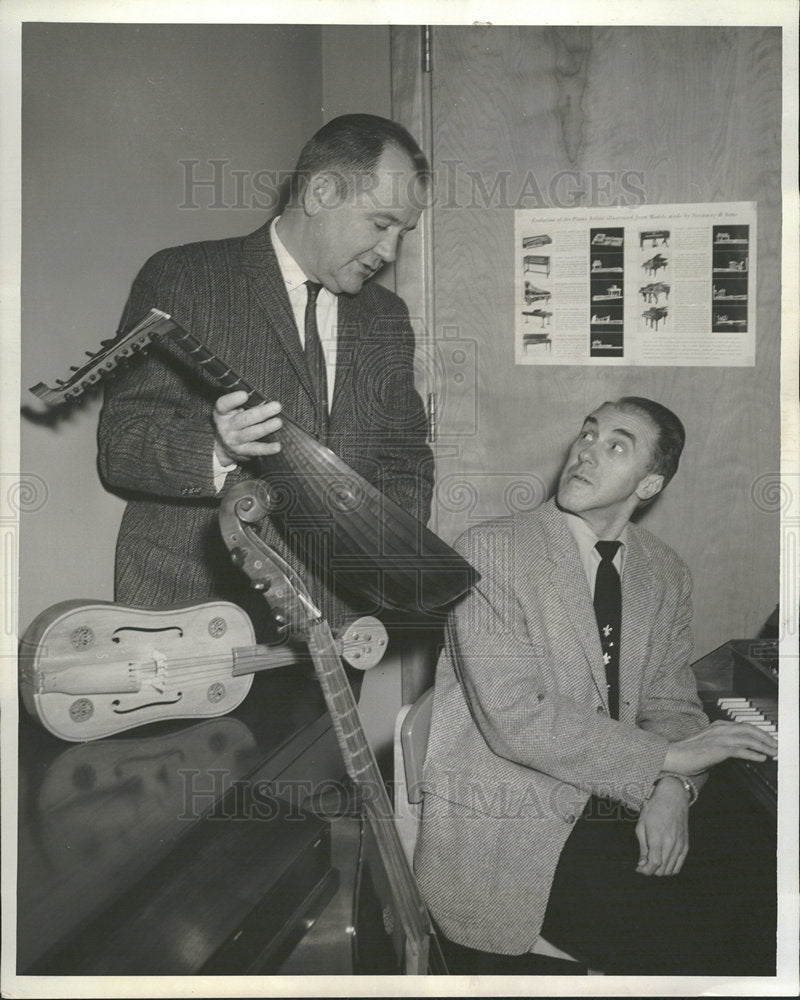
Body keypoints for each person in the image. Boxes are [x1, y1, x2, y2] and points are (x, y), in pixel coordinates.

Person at [413, 397, 778, 975]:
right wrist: (670, 757)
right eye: (588, 434)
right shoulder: (490, 552)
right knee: (693, 945)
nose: (586, 451)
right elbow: (517, 720)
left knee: (768, 886)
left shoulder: (664, 572)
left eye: (616, 445)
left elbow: (671, 701)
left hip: (614, 794)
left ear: (650, 483)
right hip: (513, 817)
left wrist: (673, 788)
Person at [97, 114, 434, 660]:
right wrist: (215, 448)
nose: (391, 251)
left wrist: (379, 552)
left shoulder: (386, 318)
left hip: (333, 628)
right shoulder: (188, 278)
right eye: (380, 224)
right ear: (322, 191)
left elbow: (406, 458)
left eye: (403, 232)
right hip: (196, 624)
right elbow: (121, 446)